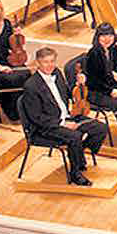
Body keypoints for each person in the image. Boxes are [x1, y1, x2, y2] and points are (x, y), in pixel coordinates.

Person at [21, 47, 105, 185]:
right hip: (46, 126)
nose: (50, 65)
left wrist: (78, 85)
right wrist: (62, 123)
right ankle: (75, 173)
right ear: (38, 63)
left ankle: (77, 154)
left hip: (67, 117)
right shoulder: (31, 86)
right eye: (45, 62)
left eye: (52, 61)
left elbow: (67, 93)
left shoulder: (57, 73)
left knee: (100, 128)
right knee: (75, 137)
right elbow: (36, 117)